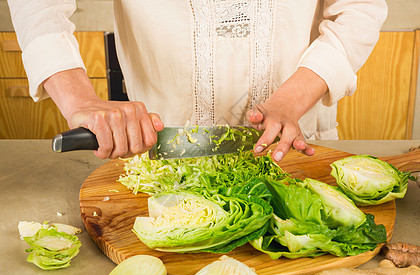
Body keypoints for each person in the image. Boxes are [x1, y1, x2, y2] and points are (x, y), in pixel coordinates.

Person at [7, 1, 388, 161]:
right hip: (163, 149)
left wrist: (292, 99)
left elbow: (360, 8)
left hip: (295, 144)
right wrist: (79, 100)